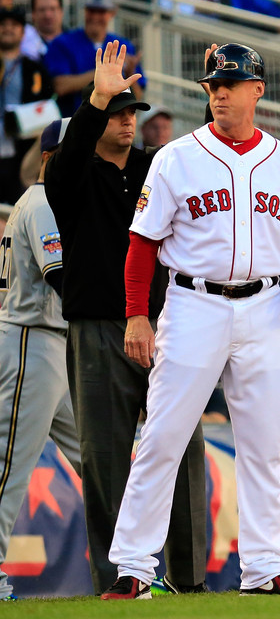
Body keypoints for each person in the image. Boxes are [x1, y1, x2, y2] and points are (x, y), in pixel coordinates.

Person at [102, 42, 280, 598]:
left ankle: (264, 570)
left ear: (258, 90)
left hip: (264, 307)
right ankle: (132, 566)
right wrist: (137, 314)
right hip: (193, 304)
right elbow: (142, 244)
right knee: (163, 436)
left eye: (231, 83)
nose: (220, 92)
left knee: (262, 444)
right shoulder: (177, 155)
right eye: (213, 84)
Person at [42, 44, 206, 596]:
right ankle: (118, 580)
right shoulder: (74, 176)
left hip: (168, 325)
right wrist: (95, 99)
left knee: (184, 452)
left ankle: (189, 581)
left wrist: (217, 92)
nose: (129, 121)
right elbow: (60, 167)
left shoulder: (157, 168)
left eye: (132, 112)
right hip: (97, 330)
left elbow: (213, 163)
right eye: (118, 113)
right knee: (106, 458)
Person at [0, 119, 82, 602]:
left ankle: (132, 566)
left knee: (102, 460)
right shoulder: (45, 200)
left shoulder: (53, 200)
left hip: (53, 344)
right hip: (31, 339)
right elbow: (62, 279)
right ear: (52, 157)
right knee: (9, 465)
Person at [45, 0, 145, 117]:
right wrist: (105, 71)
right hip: (73, 124)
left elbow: (137, 98)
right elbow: (60, 86)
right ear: (84, 10)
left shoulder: (123, 45)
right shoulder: (63, 42)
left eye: (101, 11)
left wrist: (129, 72)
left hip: (112, 124)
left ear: (112, 13)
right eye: (91, 10)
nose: (95, 17)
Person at [0, 7, 54, 205]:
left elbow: (45, 104)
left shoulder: (34, 68)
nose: (8, 29)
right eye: (3, 25)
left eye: (14, 26)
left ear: (23, 33)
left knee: (17, 203)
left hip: (20, 145)